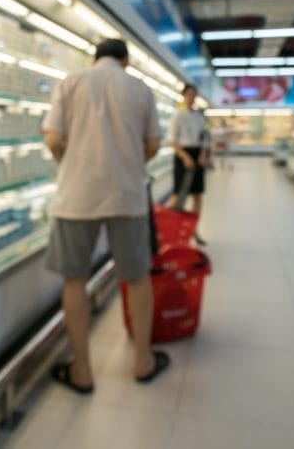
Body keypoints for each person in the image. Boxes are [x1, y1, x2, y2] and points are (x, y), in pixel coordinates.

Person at [42, 38, 169, 395]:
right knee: (137, 277)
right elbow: (154, 144)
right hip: (126, 195)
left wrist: (71, 164)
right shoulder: (140, 89)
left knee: (74, 280)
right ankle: (142, 360)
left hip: (75, 198)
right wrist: (128, 165)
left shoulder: (70, 83)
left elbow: (53, 138)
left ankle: (82, 370)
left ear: (94, 58)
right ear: (125, 59)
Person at [166, 83, 210, 245]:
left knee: (197, 195)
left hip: (197, 155)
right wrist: (185, 157)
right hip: (182, 155)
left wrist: (203, 154)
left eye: (194, 94)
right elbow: (172, 140)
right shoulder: (178, 116)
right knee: (178, 194)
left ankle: (194, 230)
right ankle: (171, 229)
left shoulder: (200, 117)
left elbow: (205, 137)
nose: (191, 97)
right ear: (184, 96)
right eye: (189, 94)